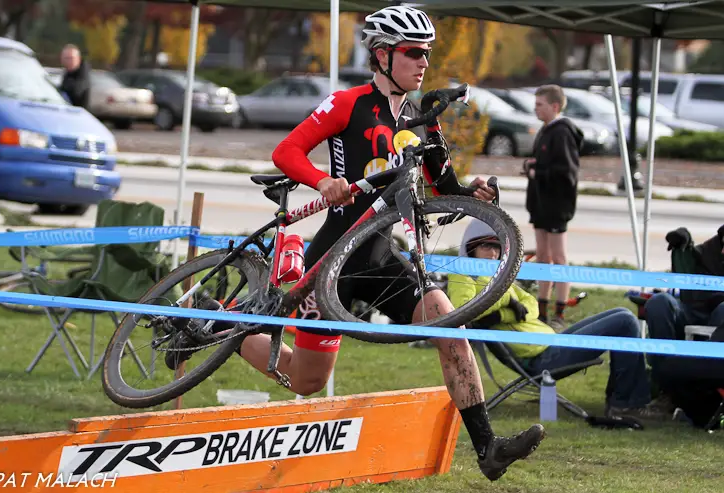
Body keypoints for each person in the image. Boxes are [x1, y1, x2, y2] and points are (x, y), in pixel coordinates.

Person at [167, 6, 544, 482]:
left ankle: (488, 447)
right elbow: (286, 152)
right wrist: (323, 182)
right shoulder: (349, 103)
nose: (423, 62)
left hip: (383, 255)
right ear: (383, 55)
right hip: (331, 259)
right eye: (413, 52)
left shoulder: (424, 121)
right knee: (307, 380)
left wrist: (475, 194)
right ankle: (216, 317)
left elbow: (444, 185)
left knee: (450, 325)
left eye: (427, 53)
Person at [447, 220, 667, 420]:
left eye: (497, 248)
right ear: (470, 248)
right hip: (541, 359)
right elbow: (466, 310)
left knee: (621, 313)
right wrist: (508, 302)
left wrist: (504, 312)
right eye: (486, 246)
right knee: (625, 322)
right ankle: (625, 403)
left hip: (551, 342)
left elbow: (531, 306)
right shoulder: (464, 275)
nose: (493, 254)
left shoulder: (497, 276)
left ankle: (623, 396)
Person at [643, 225, 724, 421]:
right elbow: (690, 257)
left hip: (720, 315)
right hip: (694, 308)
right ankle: (666, 389)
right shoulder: (710, 250)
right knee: (659, 303)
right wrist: (682, 243)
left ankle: (704, 396)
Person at [523, 85, 583, 331]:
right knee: (543, 256)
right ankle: (542, 308)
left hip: (557, 204)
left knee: (558, 257)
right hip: (540, 204)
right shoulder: (546, 130)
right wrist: (533, 165)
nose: (535, 108)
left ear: (555, 106)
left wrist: (539, 172)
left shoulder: (562, 132)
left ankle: (559, 312)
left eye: (540, 104)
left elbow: (567, 172)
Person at [59, 44, 91, 108]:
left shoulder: (82, 74)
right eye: (66, 58)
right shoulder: (68, 73)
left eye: (71, 58)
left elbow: (76, 92)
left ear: (78, 59)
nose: (68, 61)